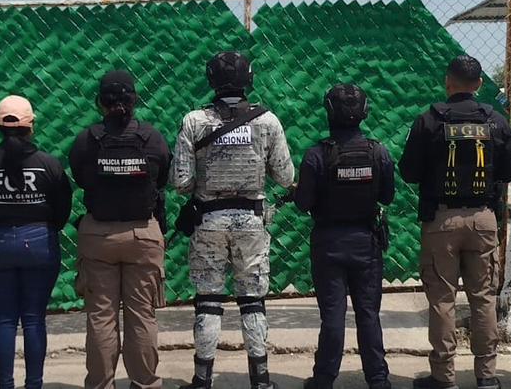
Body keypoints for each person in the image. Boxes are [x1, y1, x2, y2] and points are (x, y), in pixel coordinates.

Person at [173, 51, 295, 389]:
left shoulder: (194, 121)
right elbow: (286, 176)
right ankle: (261, 379)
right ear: (248, 79)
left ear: (211, 79)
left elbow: (181, 182)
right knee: (252, 300)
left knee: (208, 299)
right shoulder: (267, 121)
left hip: (208, 220)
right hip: (251, 221)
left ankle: (202, 379)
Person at [400, 55, 511, 389]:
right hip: (484, 220)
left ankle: (443, 376)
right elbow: (508, 171)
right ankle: (487, 376)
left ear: (447, 82)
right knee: (483, 298)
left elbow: (409, 171)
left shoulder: (429, 121)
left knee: (442, 300)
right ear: (479, 84)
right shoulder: (496, 121)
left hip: (441, 221)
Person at [68, 70, 172, 389]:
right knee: (141, 314)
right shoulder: (152, 138)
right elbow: (162, 177)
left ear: (100, 102)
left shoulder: (87, 140)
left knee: (101, 316)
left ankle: (101, 384)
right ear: (134, 100)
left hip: (99, 236)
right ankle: (145, 383)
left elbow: (80, 177)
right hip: (143, 234)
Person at [0, 95, 73, 389]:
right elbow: (62, 207)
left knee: (4, 319)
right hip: (39, 243)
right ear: (31, 126)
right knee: (34, 319)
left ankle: (5, 384)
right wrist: (45, 229)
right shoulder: (48, 164)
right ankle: (34, 384)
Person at [294, 83, 395, 389]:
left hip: (328, 243)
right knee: (368, 314)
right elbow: (387, 196)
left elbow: (303, 203)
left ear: (328, 112)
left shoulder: (316, 155)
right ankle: (378, 379)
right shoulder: (378, 152)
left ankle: (324, 379)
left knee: (332, 316)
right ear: (365, 112)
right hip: (366, 242)